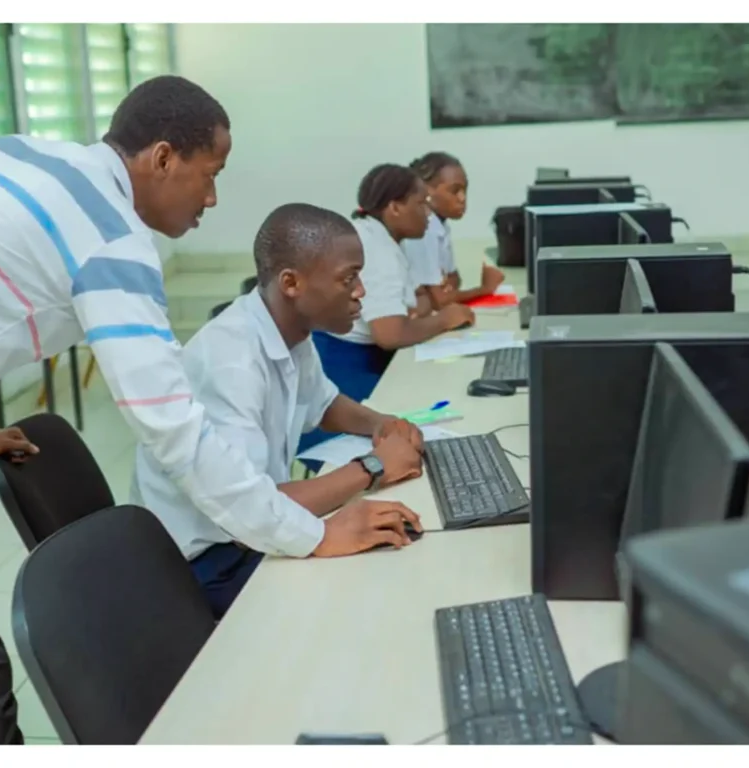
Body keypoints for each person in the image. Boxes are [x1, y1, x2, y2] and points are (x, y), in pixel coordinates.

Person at [0, 75, 419, 745]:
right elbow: (173, 428)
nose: (212, 198)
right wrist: (314, 536)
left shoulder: (19, 152)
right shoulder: (111, 237)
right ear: (162, 158)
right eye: (210, 174)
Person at [131, 203, 427, 618]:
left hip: (250, 528)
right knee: (361, 599)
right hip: (207, 563)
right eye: (349, 278)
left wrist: (382, 424)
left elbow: (323, 402)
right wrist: (374, 467)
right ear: (291, 283)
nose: (361, 291)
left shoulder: (290, 329)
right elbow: (249, 509)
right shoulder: (231, 364)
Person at [310, 164, 475, 407]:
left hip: (351, 356)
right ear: (395, 207)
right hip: (343, 367)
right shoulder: (377, 251)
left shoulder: (377, 236)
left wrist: (411, 318)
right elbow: (390, 334)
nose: (428, 214)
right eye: (421, 204)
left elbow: (416, 305)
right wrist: (444, 319)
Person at [403, 152, 506, 309]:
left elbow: (455, 279)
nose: (462, 198)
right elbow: (440, 301)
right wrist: (485, 289)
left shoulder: (441, 225)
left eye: (465, 190)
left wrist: (442, 288)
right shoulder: (423, 230)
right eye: (454, 191)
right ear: (427, 191)